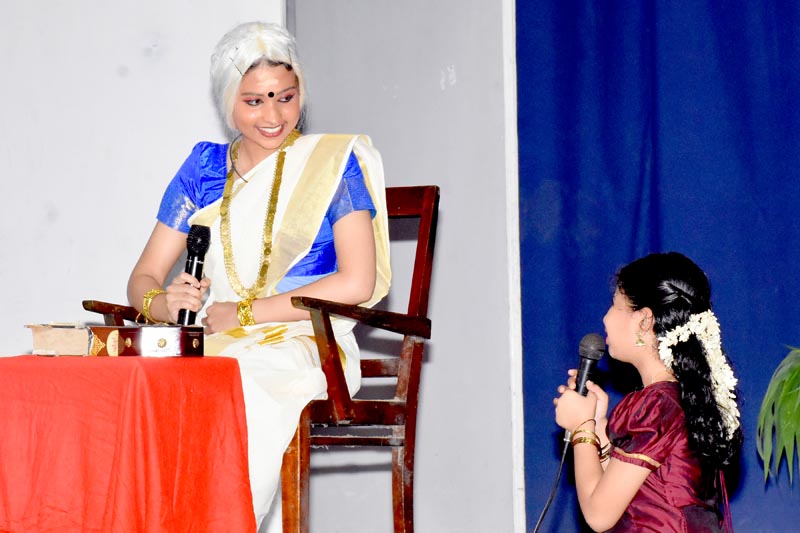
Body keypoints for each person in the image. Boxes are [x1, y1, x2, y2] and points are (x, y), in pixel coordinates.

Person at [126, 22, 391, 532]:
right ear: (228, 101)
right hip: (214, 338)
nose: (273, 117)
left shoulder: (332, 166)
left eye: (286, 98)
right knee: (145, 386)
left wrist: (245, 314)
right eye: (254, 102)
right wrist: (163, 303)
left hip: (303, 342)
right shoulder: (204, 169)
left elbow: (357, 283)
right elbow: (144, 276)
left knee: (235, 381)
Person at [553, 252, 742, 532]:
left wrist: (581, 428)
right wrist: (599, 433)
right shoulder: (677, 399)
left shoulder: (656, 404)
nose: (605, 318)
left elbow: (598, 514)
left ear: (644, 320)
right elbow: (639, 500)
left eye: (615, 305)